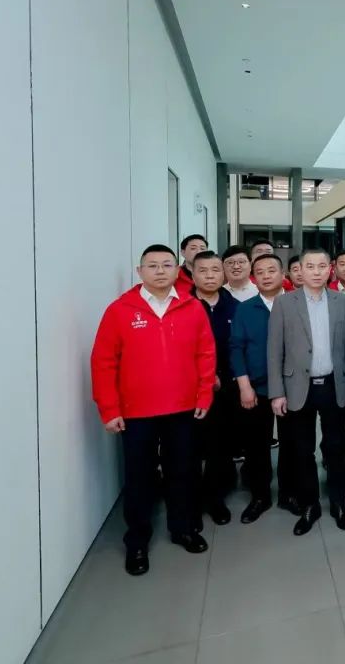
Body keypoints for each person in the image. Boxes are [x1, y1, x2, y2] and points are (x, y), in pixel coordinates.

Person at [91, 244, 215, 575]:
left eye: (166, 265)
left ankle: (182, 528)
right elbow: (103, 362)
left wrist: (204, 395)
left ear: (178, 270)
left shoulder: (192, 307)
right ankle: (137, 541)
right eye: (152, 265)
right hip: (136, 412)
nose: (160, 271)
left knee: (182, 471)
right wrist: (109, 409)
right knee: (139, 478)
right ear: (140, 271)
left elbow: (205, 354)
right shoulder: (120, 310)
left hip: (183, 408)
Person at [268, 249, 345, 535]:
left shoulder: (342, 302)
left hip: (333, 384)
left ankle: (338, 502)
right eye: (310, 266)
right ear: (299, 270)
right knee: (302, 450)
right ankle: (310, 504)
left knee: (336, 448)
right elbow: (274, 351)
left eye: (322, 266)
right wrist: (277, 392)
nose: (316, 271)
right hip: (297, 387)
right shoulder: (284, 303)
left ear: (330, 269)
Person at [231, 254, 290, 524]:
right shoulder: (245, 309)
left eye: (271, 270)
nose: (266, 276)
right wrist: (244, 386)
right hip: (256, 387)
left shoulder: (295, 304)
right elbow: (236, 348)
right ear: (254, 277)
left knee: (292, 443)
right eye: (260, 272)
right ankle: (260, 496)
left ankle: (289, 493)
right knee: (257, 446)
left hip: (291, 387)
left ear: (282, 273)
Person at [190, 251, 239, 527]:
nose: (210, 276)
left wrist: (224, 377)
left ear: (223, 274)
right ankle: (191, 501)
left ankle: (215, 498)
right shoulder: (181, 306)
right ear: (192, 273)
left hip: (227, 389)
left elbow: (240, 348)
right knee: (190, 448)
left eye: (215, 270)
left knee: (220, 446)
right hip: (191, 390)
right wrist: (206, 378)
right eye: (203, 270)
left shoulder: (235, 307)